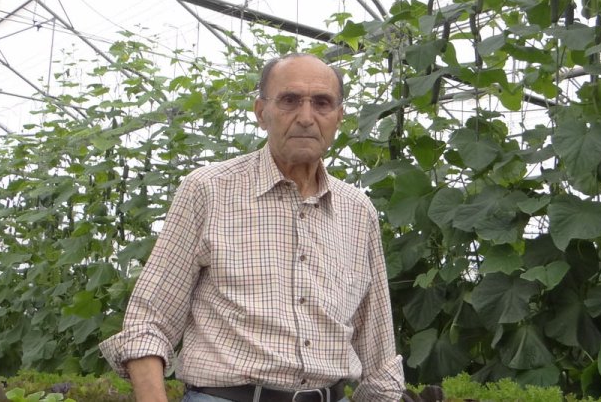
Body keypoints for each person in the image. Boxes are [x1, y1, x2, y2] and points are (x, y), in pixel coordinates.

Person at [100, 53, 405, 402]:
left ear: (338, 117)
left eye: (322, 103)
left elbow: (379, 358)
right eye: (289, 100)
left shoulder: (358, 211)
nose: (306, 117)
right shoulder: (209, 189)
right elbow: (148, 322)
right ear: (262, 112)